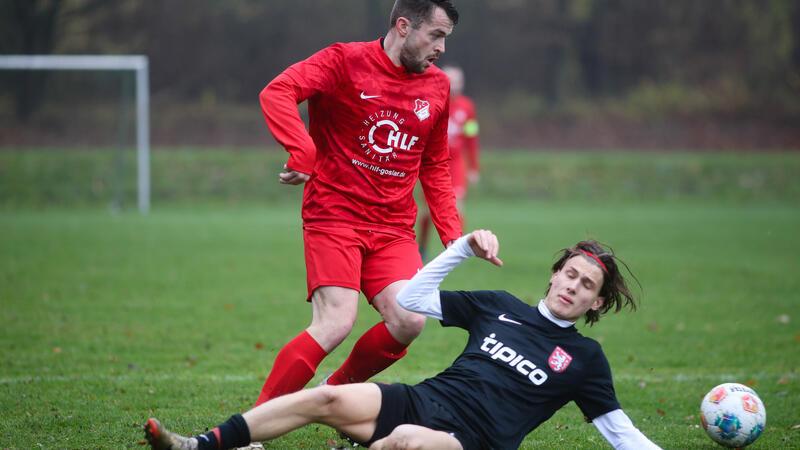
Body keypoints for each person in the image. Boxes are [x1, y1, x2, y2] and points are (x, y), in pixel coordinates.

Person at [145, 230, 662, 450]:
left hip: (470, 441)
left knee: (406, 443)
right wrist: (462, 247)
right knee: (323, 399)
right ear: (554, 274)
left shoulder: (585, 358)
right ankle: (201, 444)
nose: (573, 287)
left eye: (586, 285)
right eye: (569, 274)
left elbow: (622, 435)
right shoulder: (498, 306)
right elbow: (412, 298)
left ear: (597, 303)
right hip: (422, 399)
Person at [253, 0, 463, 412]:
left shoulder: (438, 87)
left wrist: (454, 237)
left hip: (393, 228)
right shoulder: (343, 61)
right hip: (335, 215)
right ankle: (252, 424)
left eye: (445, 38)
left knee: (410, 319)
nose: (441, 48)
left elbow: (435, 164)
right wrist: (302, 151)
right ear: (403, 26)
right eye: (435, 35)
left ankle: (334, 390)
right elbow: (277, 92)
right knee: (335, 323)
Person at [418, 65, 480, 259]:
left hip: (456, 164)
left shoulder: (467, 107)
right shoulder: (431, 101)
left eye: (458, 81)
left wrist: (474, 166)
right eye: (451, 81)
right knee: (428, 212)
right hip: (433, 163)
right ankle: (422, 246)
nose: (455, 85)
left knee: (457, 206)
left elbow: (471, 137)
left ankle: (456, 251)